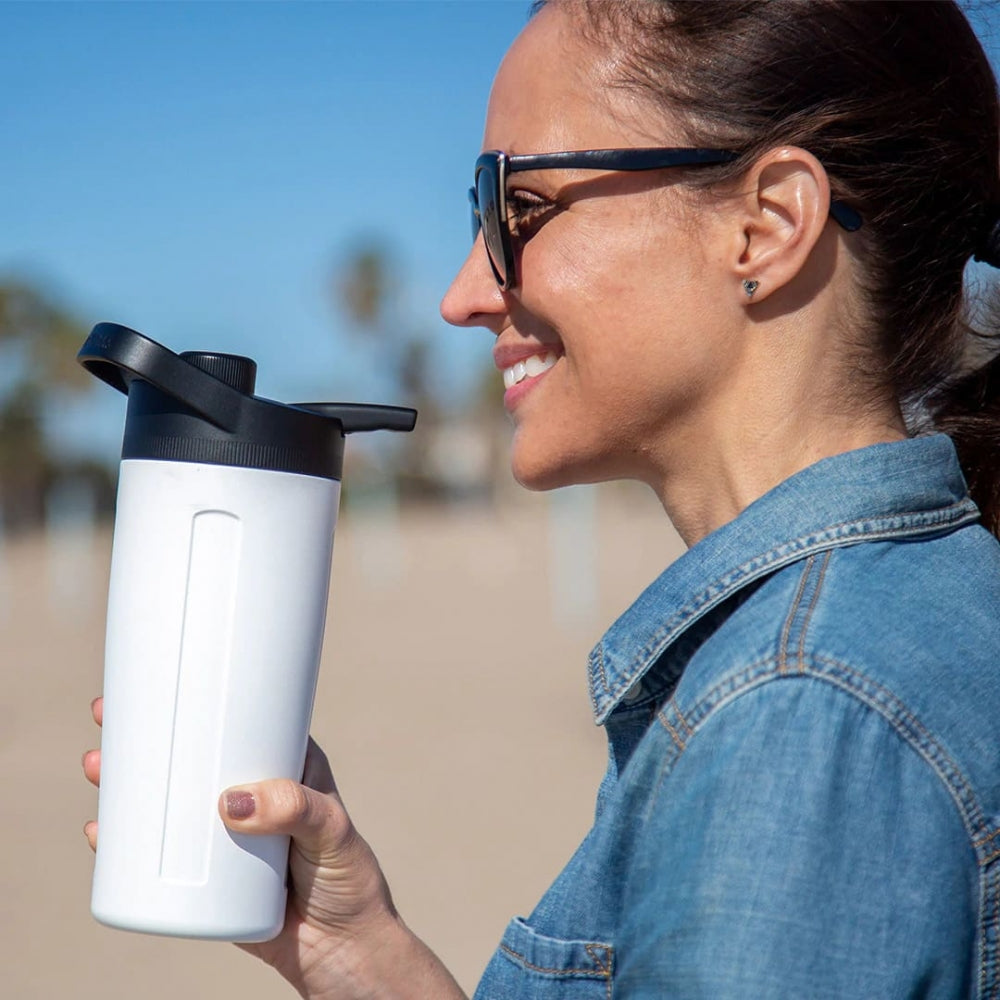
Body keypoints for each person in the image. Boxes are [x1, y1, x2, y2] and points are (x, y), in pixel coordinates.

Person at [83, 1, 1000, 996]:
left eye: (516, 209)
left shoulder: (794, 714)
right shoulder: (916, 609)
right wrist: (359, 953)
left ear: (767, 224)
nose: (463, 295)